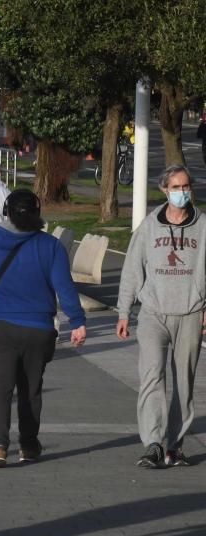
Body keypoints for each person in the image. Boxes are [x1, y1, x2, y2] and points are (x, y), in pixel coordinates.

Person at [0, 190, 87, 468]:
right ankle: (28, 445)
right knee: (31, 388)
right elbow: (65, 287)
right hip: (39, 328)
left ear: (7, 212)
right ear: (37, 212)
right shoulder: (50, 246)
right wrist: (77, 321)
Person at [117, 165, 206, 469]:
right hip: (154, 312)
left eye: (186, 186)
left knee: (184, 381)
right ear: (165, 190)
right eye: (177, 187)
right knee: (152, 374)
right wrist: (123, 311)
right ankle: (153, 443)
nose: (183, 192)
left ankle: (176, 446)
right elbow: (132, 269)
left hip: (190, 312)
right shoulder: (149, 226)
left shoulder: (203, 226)